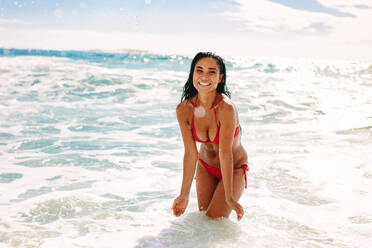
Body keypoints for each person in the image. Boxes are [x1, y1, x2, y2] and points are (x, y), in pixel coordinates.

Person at [172, 52, 249, 221]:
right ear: (192, 74)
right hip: (206, 166)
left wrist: (230, 197)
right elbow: (191, 153)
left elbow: (225, 152)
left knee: (215, 220)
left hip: (233, 167)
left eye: (211, 72)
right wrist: (183, 194)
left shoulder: (226, 108)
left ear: (220, 78)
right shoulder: (183, 109)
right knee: (204, 221)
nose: (204, 76)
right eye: (199, 70)